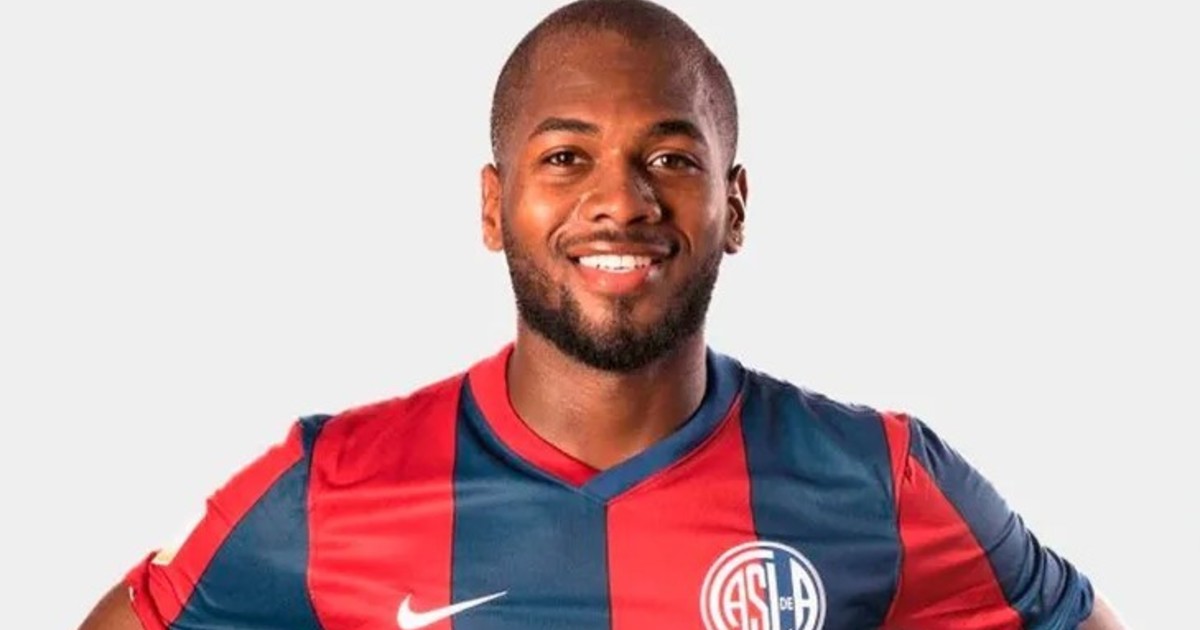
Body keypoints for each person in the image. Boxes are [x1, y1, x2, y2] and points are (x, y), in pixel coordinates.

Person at [80, 1, 1125, 628]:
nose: (620, 201)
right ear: (494, 207)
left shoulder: (883, 480)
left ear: (735, 208)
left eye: (670, 158)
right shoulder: (327, 489)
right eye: (565, 157)